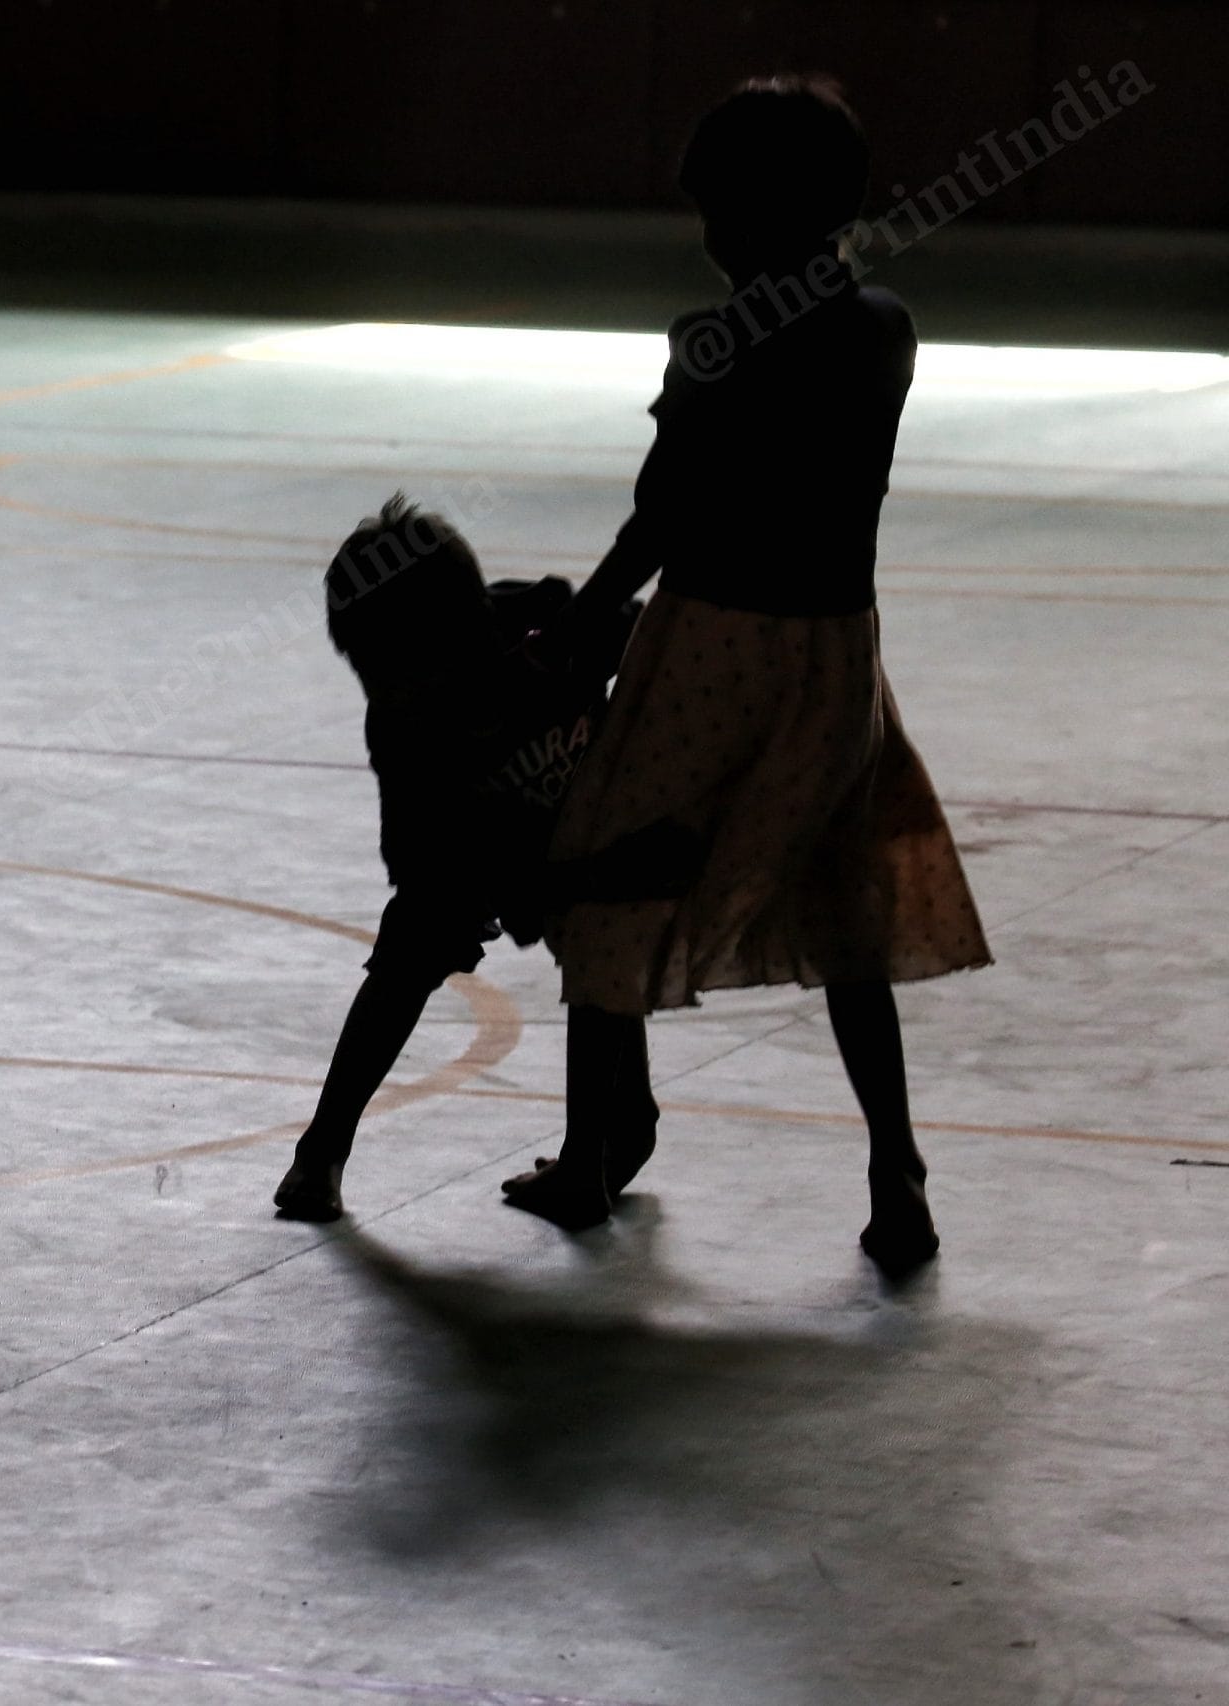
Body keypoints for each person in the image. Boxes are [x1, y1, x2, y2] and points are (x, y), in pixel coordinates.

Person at [503, 78, 991, 1273]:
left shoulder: (712, 343)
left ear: (750, 212)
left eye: (717, 213)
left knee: (603, 876)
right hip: (831, 658)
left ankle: (591, 1150)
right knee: (843, 912)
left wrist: (582, 620)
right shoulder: (882, 328)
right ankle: (897, 1173)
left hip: (712, 643)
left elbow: (661, 513)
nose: (707, 238)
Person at [274, 497, 645, 1223]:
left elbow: (647, 638)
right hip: (471, 847)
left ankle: (612, 1138)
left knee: (600, 936)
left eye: (408, 676)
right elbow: (417, 863)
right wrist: (493, 879)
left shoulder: (546, 625)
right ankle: (323, 1146)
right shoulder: (400, 731)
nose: (396, 695)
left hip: (582, 830)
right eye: (374, 679)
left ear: (471, 629)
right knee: (410, 945)